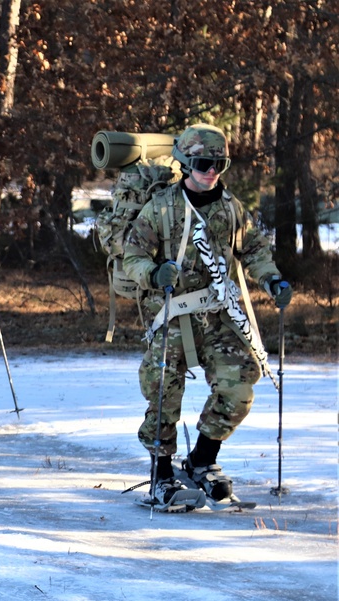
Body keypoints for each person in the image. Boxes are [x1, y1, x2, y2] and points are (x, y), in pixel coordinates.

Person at [122, 123, 292, 508]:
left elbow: (254, 250)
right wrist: (153, 272)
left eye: (219, 163)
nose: (211, 170)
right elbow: (133, 256)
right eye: (202, 162)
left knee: (240, 383)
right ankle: (161, 474)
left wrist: (272, 280)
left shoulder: (231, 210)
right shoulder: (161, 208)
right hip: (172, 315)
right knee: (163, 387)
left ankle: (202, 460)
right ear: (185, 162)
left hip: (217, 316)